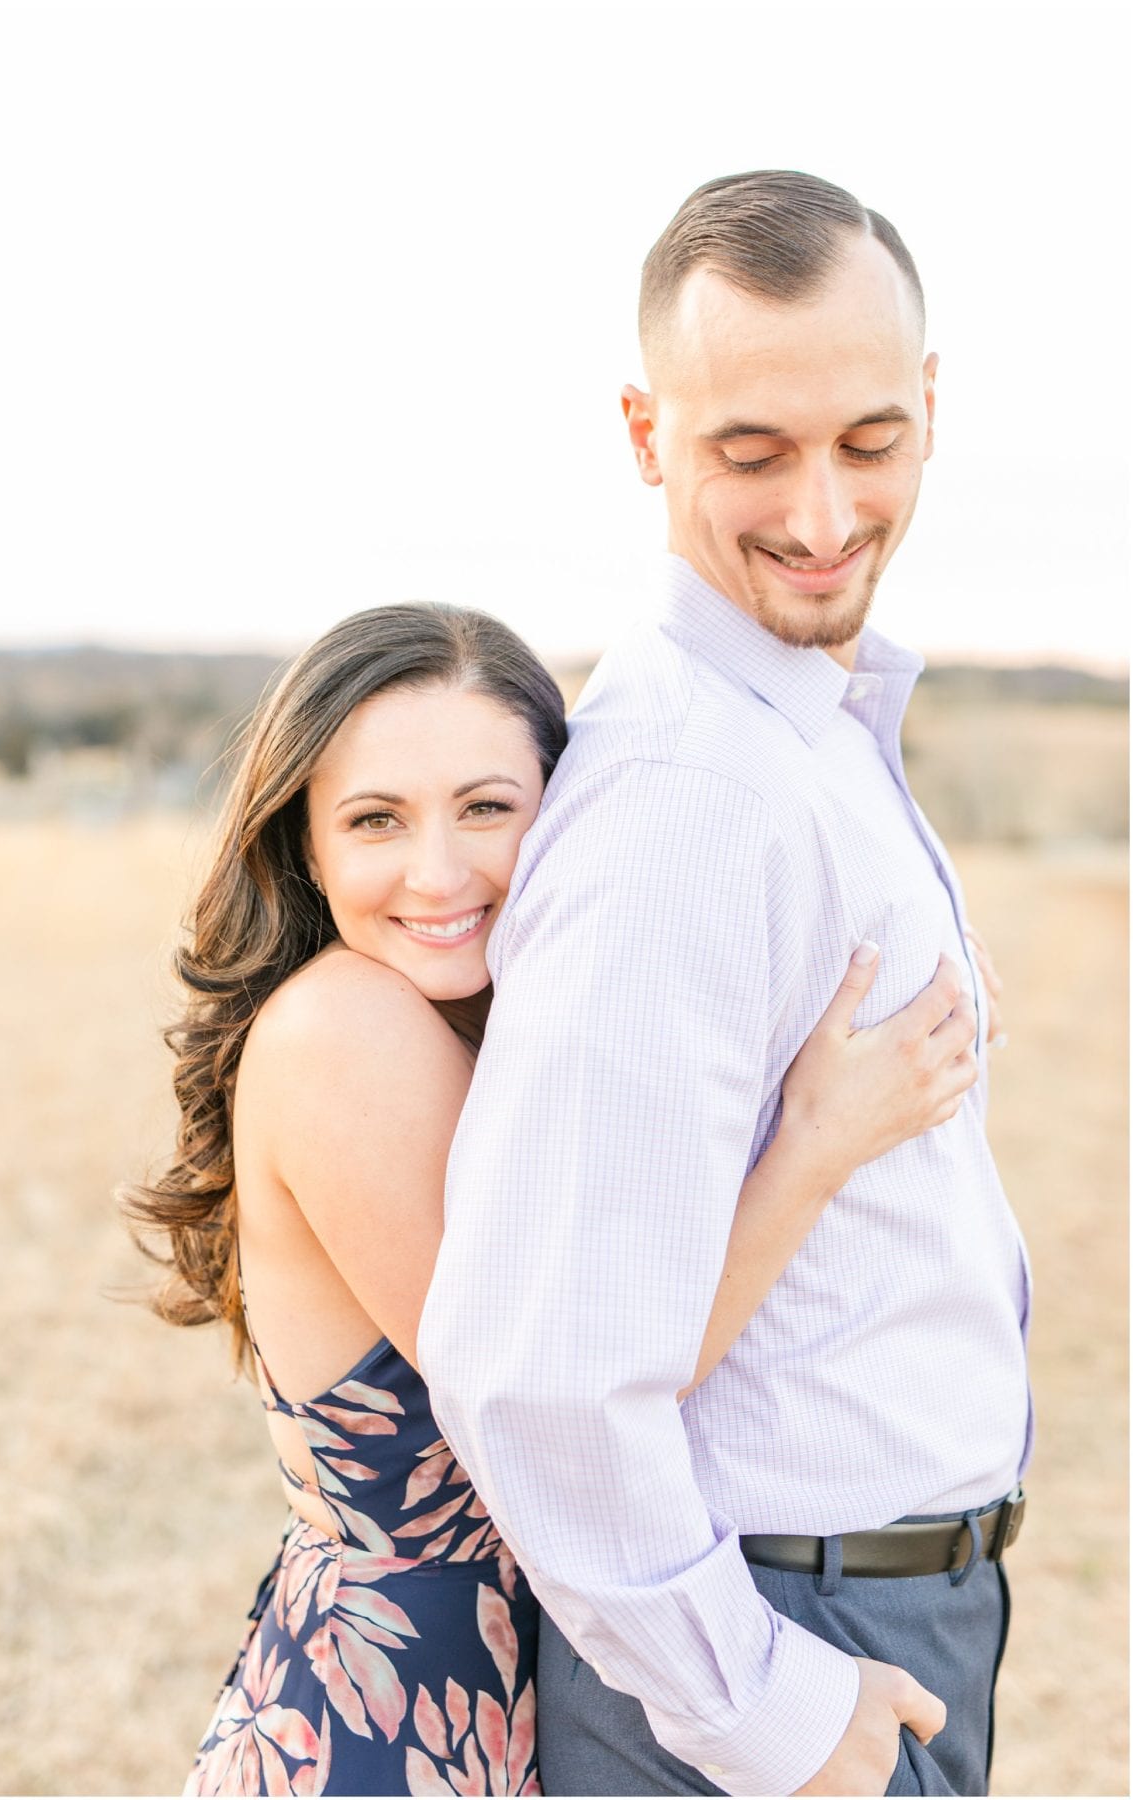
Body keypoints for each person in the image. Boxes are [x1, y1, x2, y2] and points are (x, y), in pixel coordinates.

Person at [129, 601, 981, 1797]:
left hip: (507, 1681)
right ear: (304, 849)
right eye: (376, 821)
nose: (440, 872)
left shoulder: (473, 1028)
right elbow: (562, 1375)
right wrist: (818, 1144)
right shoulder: (345, 1028)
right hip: (400, 1715)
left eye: (487, 808)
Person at [418, 171, 1032, 1798]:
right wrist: (762, 1710)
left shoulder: (796, 735)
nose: (823, 516)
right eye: (749, 453)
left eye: (869, 442)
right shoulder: (691, 797)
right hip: (769, 1645)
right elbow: (535, 1366)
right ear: (643, 434)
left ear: (929, 403)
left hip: (864, 1614)